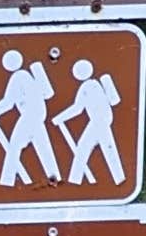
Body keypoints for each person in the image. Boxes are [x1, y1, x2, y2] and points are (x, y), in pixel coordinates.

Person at [0, 45, 61, 186]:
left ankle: (7, 182)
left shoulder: (18, 77)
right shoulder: (28, 75)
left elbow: (8, 102)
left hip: (29, 116)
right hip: (38, 115)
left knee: (14, 146)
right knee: (43, 147)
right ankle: (55, 177)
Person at [54, 52, 126, 187]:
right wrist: (60, 118)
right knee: (101, 148)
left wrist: (59, 118)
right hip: (102, 121)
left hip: (99, 122)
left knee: (87, 148)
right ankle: (118, 180)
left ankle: (75, 181)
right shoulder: (95, 84)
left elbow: (78, 108)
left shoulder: (87, 87)